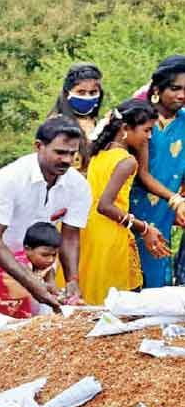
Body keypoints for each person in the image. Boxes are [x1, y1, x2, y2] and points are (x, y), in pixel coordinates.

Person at [0, 115, 92, 312]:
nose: (67, 160)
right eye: (59, 152)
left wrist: (72, 280)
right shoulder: (8, 179)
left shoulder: (78, 186)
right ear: (38, 146)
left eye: (72, 154)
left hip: (40, 269)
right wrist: (30, 282)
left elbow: (70, 237)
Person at [79, 100, 168, 305]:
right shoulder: (126, 161)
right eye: (146, 130)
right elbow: (105, 205)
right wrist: (144, 228)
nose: (149, 137)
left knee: (91, 296)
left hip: (88, 231)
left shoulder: (99, 153)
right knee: (112, 301)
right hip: (109, 235)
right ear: (125, 128)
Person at [129, 55, 185, 287]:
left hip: (167, 207)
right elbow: (142, 174)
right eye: (175, 88)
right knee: (134, 272)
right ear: (158, 88)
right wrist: (176, 200)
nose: (182, 95)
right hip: (137, 206)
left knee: (159, 271)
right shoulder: (142, 119)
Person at [0, 222, 63, 329]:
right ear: (27, 249)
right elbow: (30, 297)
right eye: (45, 255)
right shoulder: (17, 269)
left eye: (54, 255)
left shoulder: (39, 263)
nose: (50, 260)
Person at [47, 63, 104, 173]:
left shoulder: (93, 121)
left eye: (93, 92)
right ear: (67, 93)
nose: (87, 97)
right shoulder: (57, 125)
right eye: (81, 92)